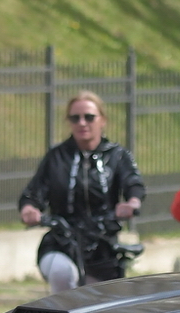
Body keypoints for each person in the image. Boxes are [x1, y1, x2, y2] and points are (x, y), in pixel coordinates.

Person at [18, 91, 144, 290]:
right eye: (75, 118)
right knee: (62, 273)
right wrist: (29, 209)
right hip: (61, 241)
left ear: (103, 120)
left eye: (89, 117)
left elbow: (133, 183)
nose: (82, 123)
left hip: (102, 246)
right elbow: (34, 192)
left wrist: (131, 203)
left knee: (102, 301)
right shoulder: (56, 157)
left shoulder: (117, 156)